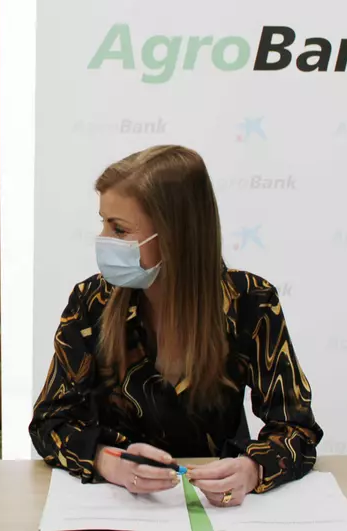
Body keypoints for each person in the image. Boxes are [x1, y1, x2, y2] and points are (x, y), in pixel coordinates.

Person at [30, 145, 322, 507]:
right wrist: (108, 461)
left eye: (119, 229)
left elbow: (297, 428)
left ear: (174, 235)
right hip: (118, 507)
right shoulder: (91, 303)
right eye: (103, 222)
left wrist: (252, 469)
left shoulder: (251, 302)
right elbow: (49, 422)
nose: (103, 239)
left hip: (216, 509)